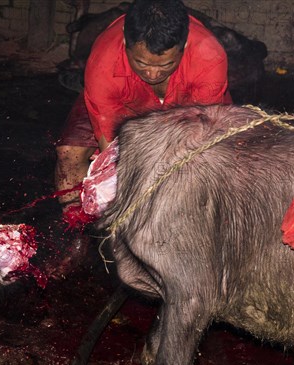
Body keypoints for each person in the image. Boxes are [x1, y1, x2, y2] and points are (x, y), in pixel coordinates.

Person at [53, 0, 232, 268]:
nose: (152, 73)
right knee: (69, 155)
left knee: (207, 170)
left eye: (165, 65)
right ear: (125, 44)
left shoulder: (210, 57)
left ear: (183, 47)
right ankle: (76, 235)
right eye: (141, 63)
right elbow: (111, 147)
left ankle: (195, 242)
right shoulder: (103, 60)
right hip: (124, 105)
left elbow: (195, 141)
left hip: (188, 113)